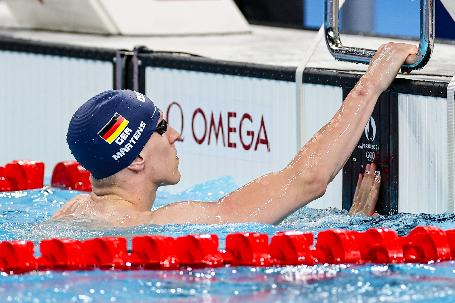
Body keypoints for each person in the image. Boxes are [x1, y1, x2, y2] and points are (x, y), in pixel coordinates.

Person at [53, 42, 418, 227]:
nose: (176, 134)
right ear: (135, 158)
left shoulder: (72, 214)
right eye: (161, 128)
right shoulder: (162, 225)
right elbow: (306, 181)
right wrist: (370, 84)